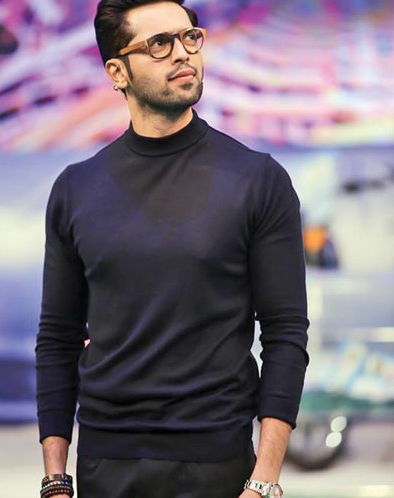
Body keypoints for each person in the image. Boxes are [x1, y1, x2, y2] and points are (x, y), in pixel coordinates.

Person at [35, 1, 310, 497]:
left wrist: (265, 481)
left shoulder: (258, 180)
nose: (182, 53)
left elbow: (285, 333)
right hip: (105, 464)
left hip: (218, 465)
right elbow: (58, 337)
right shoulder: (76, 189)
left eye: (189, 37)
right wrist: (56, 478)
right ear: (117, 72)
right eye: (159, 44)